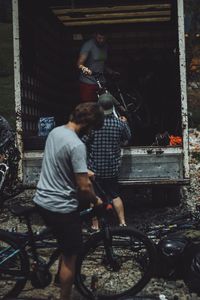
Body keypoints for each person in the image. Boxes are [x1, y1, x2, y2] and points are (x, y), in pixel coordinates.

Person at [33, 102, 104, 300]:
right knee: (70, 256)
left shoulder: (56, 132)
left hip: (42, 198)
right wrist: (96, 200)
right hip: (60, 206)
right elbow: (83, 188)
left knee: (64, 243)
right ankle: (64, 296)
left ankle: (59, 275)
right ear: (89, 125)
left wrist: (84, 171)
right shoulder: (77, 145)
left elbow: (59, 160)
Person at [82, 93, 131, 230]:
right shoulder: (119, 124)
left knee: (95, 197)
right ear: (112, 107)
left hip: (95, 170)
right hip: (112, 169)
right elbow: (128, 137)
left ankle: (95, 225)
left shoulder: (93, 125)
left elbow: (83, 141)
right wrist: (125, 123)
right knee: (115, 195)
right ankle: (122, 223)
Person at [77, 29, 119, 102]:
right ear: (95, 36)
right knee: (89, 105)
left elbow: (102, 63)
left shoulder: (105, 46)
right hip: (88, 81)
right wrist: (84, 69)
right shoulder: (88, 45)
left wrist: (111, 71)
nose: (101, 40)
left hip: (101, 81)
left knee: (103, 104)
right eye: (99, 38)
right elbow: (79, 63)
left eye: (104, 38)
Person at [0, 115, 21, 191]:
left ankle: (11, 185)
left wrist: (1, 150)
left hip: (7, 148)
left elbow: (8, 135)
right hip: (5, 146)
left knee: (8, 167)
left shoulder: (2, 121)